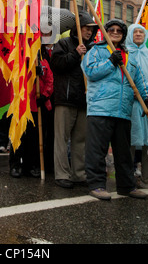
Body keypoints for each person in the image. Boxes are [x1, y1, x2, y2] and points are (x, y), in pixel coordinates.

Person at [81, 18, 148, 200]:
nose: (115, 32)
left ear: (123, 35)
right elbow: (90, 72)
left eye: (119, 30)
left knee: (123, 152)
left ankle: (126, 186)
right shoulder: (96, 51)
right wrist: (110, 62)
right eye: (111, 29)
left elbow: (139, 81)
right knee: (97, 150)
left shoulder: (128, 55)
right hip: (100, 108)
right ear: (106, 32)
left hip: (123, 110)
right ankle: (97, 185)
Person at [50, 11, 98, 188]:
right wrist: (75, 54)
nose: (88, 32)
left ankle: (80, 173)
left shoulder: (94, 48)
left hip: (85, 100)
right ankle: (62, 174)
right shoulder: (63, 43)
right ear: (78, 28)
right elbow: (56, 65)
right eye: (86, 28)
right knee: (61, 138)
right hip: (65, 98)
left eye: (91, 29)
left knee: (81, 139)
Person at [9, 55, 54, 178]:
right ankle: (15, 164)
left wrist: (44, 95)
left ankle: (32, 165)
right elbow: (11, 77)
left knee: (34, 138)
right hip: (20, 105)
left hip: (36, 105)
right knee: (18, 136)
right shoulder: (18, 58)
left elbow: (50, 80)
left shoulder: (43, 62)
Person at [126, 23, 148, 189]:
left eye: (141, 32)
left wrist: (147, 90)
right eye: (135, 32)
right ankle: (127, 178)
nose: (138, 34)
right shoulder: (125, 54)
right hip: (130, 104)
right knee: (128, 140)